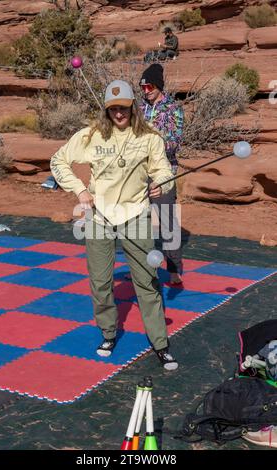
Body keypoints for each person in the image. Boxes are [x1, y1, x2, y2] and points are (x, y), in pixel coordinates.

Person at [50, 79, 178, 371]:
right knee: (100, 281)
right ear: (105, 110)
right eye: (112, 109)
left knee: (147, 281)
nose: (118, 114)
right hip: (99, 218)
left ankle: (160, 344)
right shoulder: (91, 135)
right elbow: (58, 161)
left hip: (136, 216)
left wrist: (160, 183)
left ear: (133, 106)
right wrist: (79, 190)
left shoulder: (150, 137)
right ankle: (108, 334)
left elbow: (162, 168)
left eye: (123, 108)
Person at [140, 63, 184, 284]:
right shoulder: (139, 109)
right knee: (138, 221)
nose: (146, 91)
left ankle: (174, 269)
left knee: (168, 223)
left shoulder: (172, 109)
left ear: (158, 85)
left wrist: (153, 141)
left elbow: (175, 142)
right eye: (143, 88)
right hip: (139, 174)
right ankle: (142, 268)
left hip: (164, 174)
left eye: (149, 87)